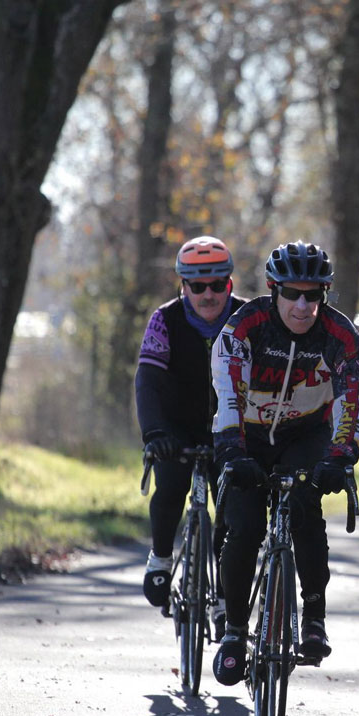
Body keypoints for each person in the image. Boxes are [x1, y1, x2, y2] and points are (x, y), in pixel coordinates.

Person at [210, 240, 359, 685]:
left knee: (305, 505)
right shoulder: (244, 328)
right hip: (247, 435)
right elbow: (227, 396)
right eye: (292, 294)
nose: (303, 305)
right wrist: (230, 450)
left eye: (314, 295)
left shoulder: (340, 337)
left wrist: (342, 457)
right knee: (243, 525)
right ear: (272, 290)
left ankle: (314, 616)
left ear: (324, 295)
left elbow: (354, 402)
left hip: (306, 433)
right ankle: (234, 631)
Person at [137, 235, 245, 638]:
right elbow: (147, 381)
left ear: (230, 283)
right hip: (176, 427)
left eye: (217, 284)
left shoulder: (247, 317)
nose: (208, 294)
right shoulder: (164, 320)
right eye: (197, 286)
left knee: (233, 515)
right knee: (171, 486)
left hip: (232, 430)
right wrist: (154, 432)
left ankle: (223, 596)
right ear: (183, 285)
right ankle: (161, 559)